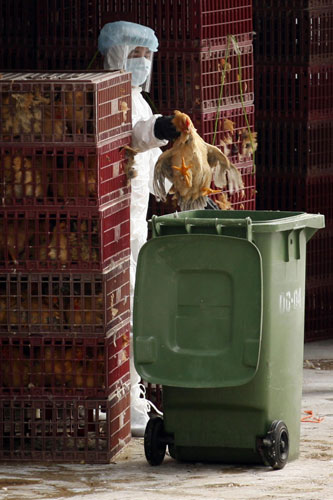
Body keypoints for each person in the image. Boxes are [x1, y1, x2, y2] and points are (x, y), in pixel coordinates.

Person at [98, 21, 179, 437]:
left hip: (131, 226)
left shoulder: (140, 102)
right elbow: (129, 139)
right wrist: (157, 133)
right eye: (136, 55)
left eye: (148, 57)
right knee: (120, 313)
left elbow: (145, 162)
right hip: (113, 227)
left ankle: (128, 401)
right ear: (117, 55)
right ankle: (123, 406)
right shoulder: (108, 98)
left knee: (128, 309)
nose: (143, 63)